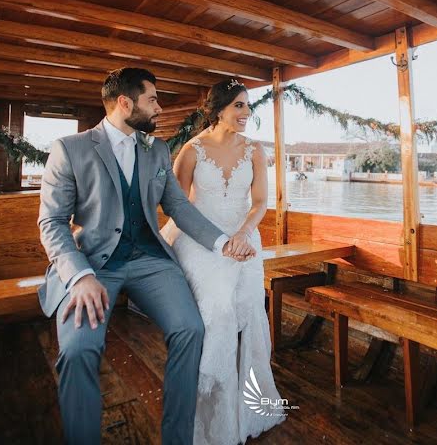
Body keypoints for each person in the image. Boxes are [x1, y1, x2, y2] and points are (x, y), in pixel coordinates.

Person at [37, 67, 254, 444]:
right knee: (77, 350)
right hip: (92, 266)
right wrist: (80, 276)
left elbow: (179, 208)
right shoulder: (70, 149)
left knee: (190, 329)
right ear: (125, 103)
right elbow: (52, 222)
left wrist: (223, 243)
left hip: (151, 260)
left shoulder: (157, 150)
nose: (159, 107)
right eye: (152, 99)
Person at [162, 78, 286, 444]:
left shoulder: (255, 151)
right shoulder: (191, 150)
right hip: (199, 239)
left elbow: (261, 202)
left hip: (244, 238)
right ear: (219, 110)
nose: (247, 113)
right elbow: (176, 205)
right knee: (217, 309)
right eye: (239, 106)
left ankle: (247, 407)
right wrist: (217, 241)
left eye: (248, 105)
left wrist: (244, 235)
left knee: (248, 307)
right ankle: (207, 409)